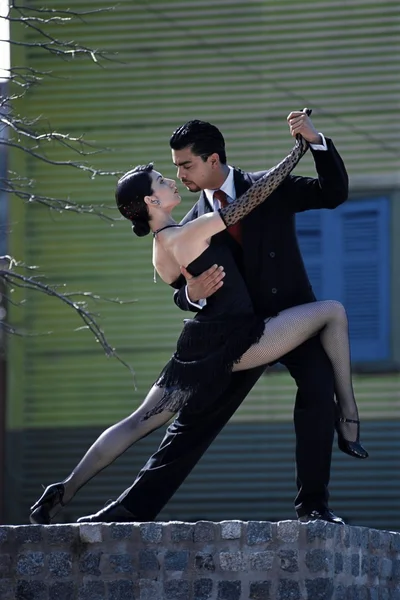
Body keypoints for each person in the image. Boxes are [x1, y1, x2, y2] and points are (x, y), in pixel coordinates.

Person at [29, 129, 367, 527]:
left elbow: (182, 285)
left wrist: (318, 145)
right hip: (241, 336)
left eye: (182, 166)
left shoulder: (160, 244)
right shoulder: (194, 224)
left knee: (140, 420)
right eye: (165, 177)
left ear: (212, 159)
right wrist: (297, 150)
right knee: (332, 312)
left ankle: (66, 488)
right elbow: (248, 204)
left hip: (210, 340)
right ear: (152, 200)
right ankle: (349, 412)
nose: (175, 177)